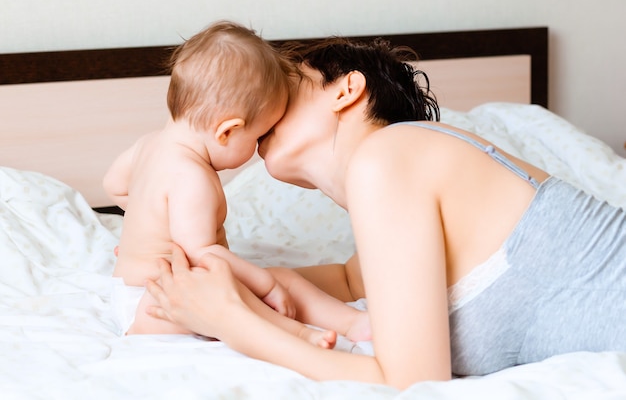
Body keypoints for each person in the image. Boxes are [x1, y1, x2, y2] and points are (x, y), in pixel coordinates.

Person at [143, 36, 626, 389]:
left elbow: (409, 380)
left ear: (346, 90)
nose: (260, 109)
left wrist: (230, 320)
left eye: (284, 89)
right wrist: (214, 281)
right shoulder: (404, 176)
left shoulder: (388, 155)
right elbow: (348, 282)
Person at [103, 21, 369, 347]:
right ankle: (309, 332)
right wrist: (265, 285)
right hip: (161, 301)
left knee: (255, 284)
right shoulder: (192, 177)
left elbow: (113, 185)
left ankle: (349, 324)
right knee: (268, 285)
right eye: (257, 135)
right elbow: (201, 253)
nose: (258, 148)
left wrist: (146, 225)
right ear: (227, 131)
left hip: (130, 294)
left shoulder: (148, 144)